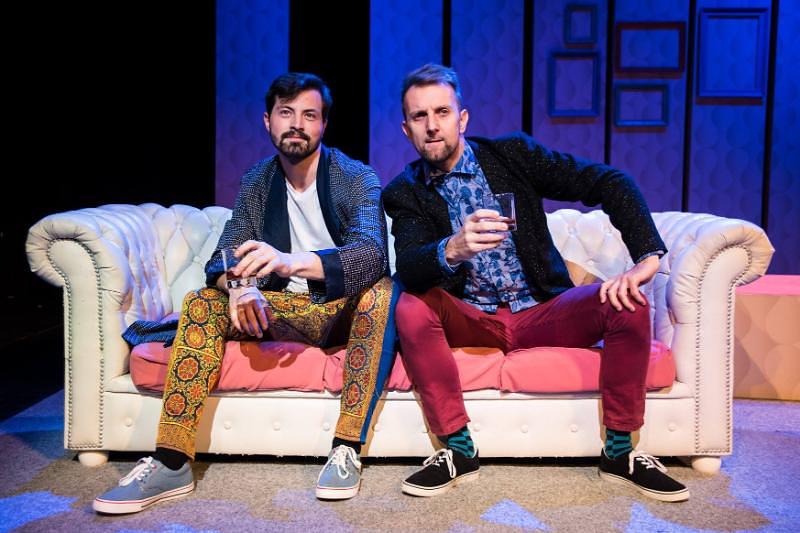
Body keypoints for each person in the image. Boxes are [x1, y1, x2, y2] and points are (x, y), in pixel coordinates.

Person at [382, 63, 689, 502]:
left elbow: (608, 181)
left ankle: (620, 452)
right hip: (471, 318)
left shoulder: (511, 155)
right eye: (419, 116)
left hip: (542, 310)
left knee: (628, 304)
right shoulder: (404, 191)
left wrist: (648, 256)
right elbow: (411, 267)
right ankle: (458, 449)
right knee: (411, 305)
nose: (432, 126)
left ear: (462, 119)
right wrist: (453, 247)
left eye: (442, 112)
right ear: (406, 129)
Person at [94, 72, 398, 513]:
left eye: (309, 115)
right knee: (203, 301)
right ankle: (171, 461)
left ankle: (346, 447)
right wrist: (239, 288)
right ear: (268, 121)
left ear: (323, 124)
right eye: (286, 113)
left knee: (382, 292)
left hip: (339, 310)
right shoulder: (258, 180)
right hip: (278, 309)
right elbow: (223, 256)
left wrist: (290, 261)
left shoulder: (354, 176)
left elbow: (370, 255)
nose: (297, 124)